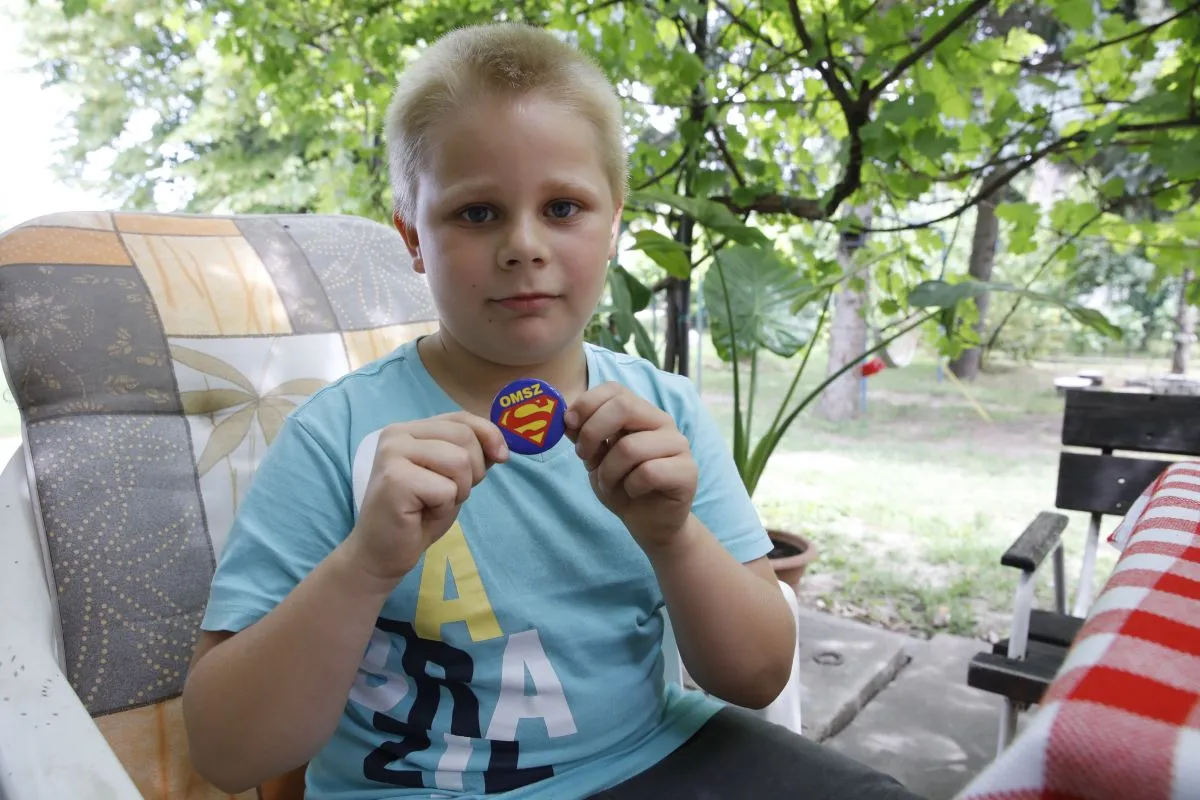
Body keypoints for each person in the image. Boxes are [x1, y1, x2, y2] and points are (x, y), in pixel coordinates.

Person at [182, 21, 923, 800]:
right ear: (412, 238)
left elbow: (757, 675)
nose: (523, 246)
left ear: (614, 225)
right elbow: (227, 753)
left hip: (649, 753)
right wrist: (364, 566)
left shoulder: (661, 417)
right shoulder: (338, 438)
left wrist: (672, 537)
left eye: (563, 207)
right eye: (477, 213)